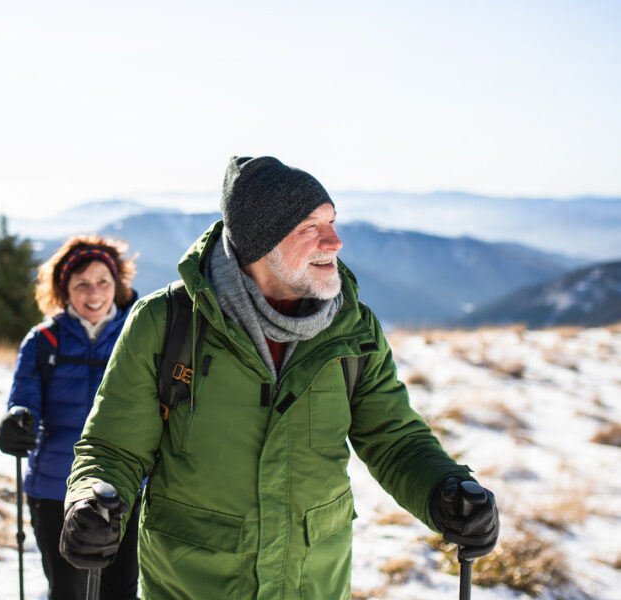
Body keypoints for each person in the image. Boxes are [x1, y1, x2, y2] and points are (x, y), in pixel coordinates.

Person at [58, 156, 499, 599]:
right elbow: (114, 447)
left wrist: (443, 489)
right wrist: (90, 500)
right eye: (311, 228)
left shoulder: (353, 329)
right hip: (192, 586)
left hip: (312, 585)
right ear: (260, 245)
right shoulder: (168, 321)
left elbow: (395, 440)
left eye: (332, 222)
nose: (336, 241)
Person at [0, 234, 140, 600]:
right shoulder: (44, 341)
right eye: (82, 285)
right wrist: (18, 421)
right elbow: (24, 399)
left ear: (117, 285)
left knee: (119, 592)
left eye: (102, 283)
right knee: (67, 591)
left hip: (125, 488)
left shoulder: (138, 335)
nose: (94, 294)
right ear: (65, 290)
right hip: (54, 488)